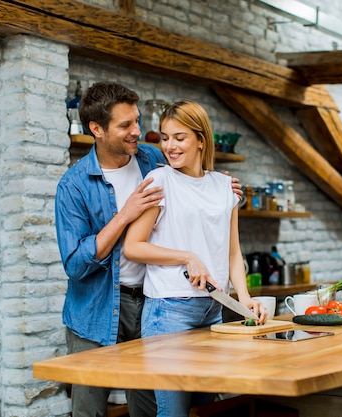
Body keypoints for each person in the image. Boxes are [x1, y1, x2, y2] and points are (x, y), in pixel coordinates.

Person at [55, 82, 242, 417]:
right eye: (126, 125)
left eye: (137, 121)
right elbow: (75, 263)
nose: (137, 132)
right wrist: (124, 214)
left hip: (153, 301)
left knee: (147, 406)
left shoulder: (152, 160)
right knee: (90, 410)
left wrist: (222, 188)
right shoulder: (74, 185)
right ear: (96, 130)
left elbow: (190, 179)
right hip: (98, 306)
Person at [123, 99, 268, 417]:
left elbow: (232, 250)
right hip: (168, 312)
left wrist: (245, 299)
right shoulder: (160, 182)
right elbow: (132, 247)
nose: (169, 146)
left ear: (201, 139)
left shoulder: (224, 187)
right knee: (173, 414)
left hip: (212, 311)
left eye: (179, 137)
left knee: (206, 413)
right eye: (165, 137)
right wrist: (187, 257)